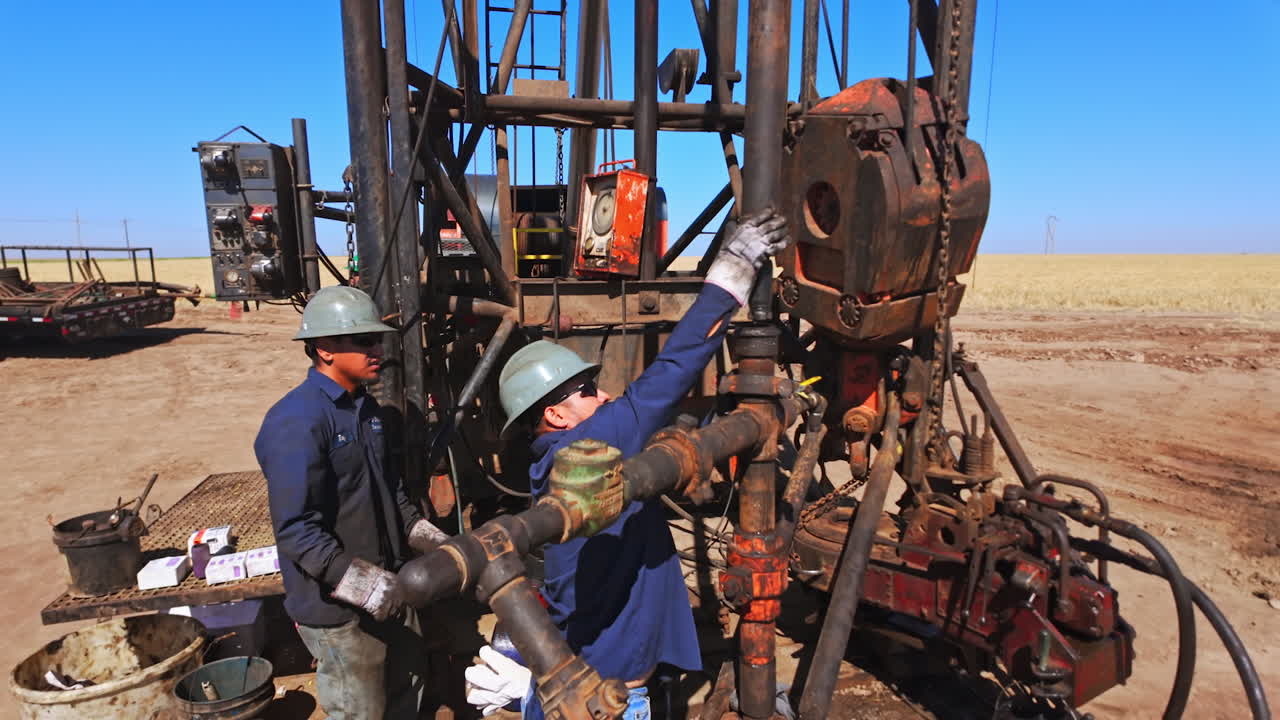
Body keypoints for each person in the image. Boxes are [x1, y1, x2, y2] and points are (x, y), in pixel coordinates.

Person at [468, 210, 790, 719]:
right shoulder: (590, 446)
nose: (605, 395)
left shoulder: (550, 462)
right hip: (606, 694)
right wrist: (731, 274)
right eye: (588, 390)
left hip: (603, 673)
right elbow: (670, 372)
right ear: (554, 413)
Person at [255, 285, 449, 719]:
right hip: (338, 610)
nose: (377, 348)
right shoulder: (296, 422)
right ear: (324, 348)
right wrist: (365, 586)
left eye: (377, 338)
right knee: (362, 709)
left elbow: (391, 495)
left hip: (390, 589)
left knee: (408, 689)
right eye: (363, 340)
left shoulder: (367, 411)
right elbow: (296, 531)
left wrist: (434, 540)